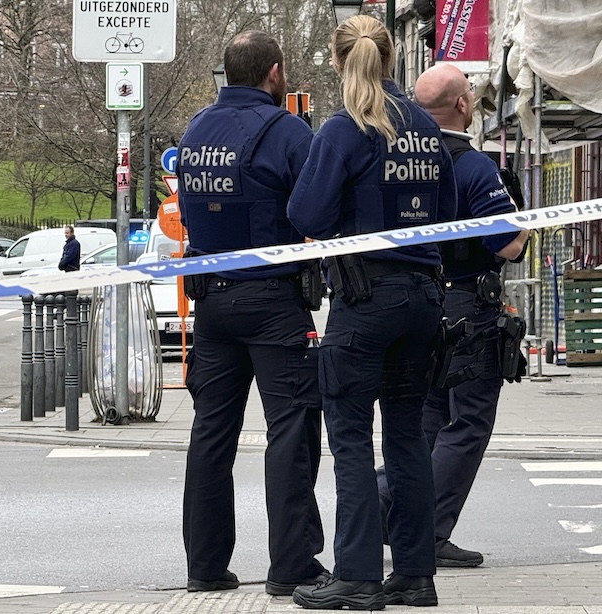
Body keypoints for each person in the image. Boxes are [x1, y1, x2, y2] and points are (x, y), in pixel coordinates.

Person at [286, 15, 458, 610]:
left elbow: (305, 216)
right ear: (391, 60)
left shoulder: (343, 129)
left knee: (352, 440)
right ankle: (414, 573)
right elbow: (453, 211)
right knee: (407, 436)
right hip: (423, 298)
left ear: (337, 63)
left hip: (364, 302)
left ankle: (357, 573)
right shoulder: (424, 126)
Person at [176, 30, 328, 597]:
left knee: (211, 434)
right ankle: (292, 565)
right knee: (290, 430)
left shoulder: (194, 132)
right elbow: (317, 206)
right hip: (272, 301)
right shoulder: (288, 131)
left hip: (211, 302)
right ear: (274, 72)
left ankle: (205, 566)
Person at [376, 63, 529, 569]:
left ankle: (384, 506)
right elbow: (507, 244)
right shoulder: (473, 166)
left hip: (417, 301)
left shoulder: (403, 162)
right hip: (468, 303)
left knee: (428, 419)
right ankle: (426, 530)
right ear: (463, 105)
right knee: (467, 422)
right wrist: (525, 224)